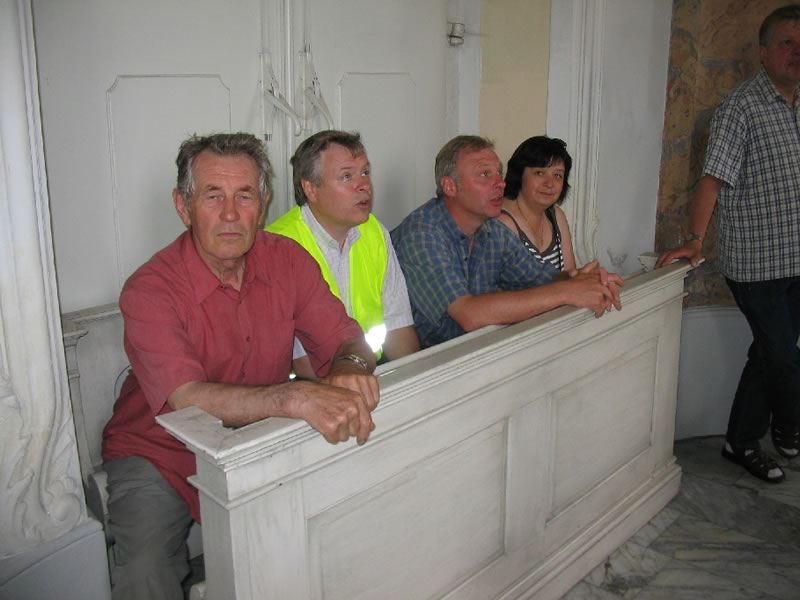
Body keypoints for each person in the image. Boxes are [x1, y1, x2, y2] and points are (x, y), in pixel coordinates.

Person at [102, 132, 379, 599]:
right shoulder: (150, 289)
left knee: (333, 529)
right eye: (214, 196)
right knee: (146, 571)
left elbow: (348, 340)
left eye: (245, 195)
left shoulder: (286, 260)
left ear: (263, 204)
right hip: (160, 451)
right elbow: (187, 399)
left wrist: (351, 365)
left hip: (259, 439)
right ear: (184, 206)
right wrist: (295, 396)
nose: (231, 214)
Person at [657, 5, 800, 484]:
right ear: (764, 52)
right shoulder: (741, 108)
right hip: (758, 264)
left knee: (769, 353)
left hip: (798, 258)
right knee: (783, 357)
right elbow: (712, 180)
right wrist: (695, 239)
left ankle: (740, 441)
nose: (796, 52)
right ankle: (788, 425)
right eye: (786, 43)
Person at [391, 135, 623, 348]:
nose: (500, 183)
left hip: (477, 355)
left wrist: (583, 279)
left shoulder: (492, 230)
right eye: (485, 174)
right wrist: (566, 292)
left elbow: (541, 278)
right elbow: (469, 314)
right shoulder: (422, 235)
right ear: (450, 186)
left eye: (498, 173)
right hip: (425, 368)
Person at [267, 130, 419, 376]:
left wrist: (414, 382)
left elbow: (399, 327)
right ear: (310, 189)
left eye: (365, 172)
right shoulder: (278, 246)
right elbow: (304, 364)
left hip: (370, 373)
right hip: (310, 385)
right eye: (347, 176)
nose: (364, 185)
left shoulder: (373, 231)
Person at [497, 136, 576, 272]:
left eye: (557, 175)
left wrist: (592, 278)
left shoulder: (556, 216)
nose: (549, 183)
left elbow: (570, 276)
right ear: (519, 174)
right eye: (539, 173)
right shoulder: (501, 223)